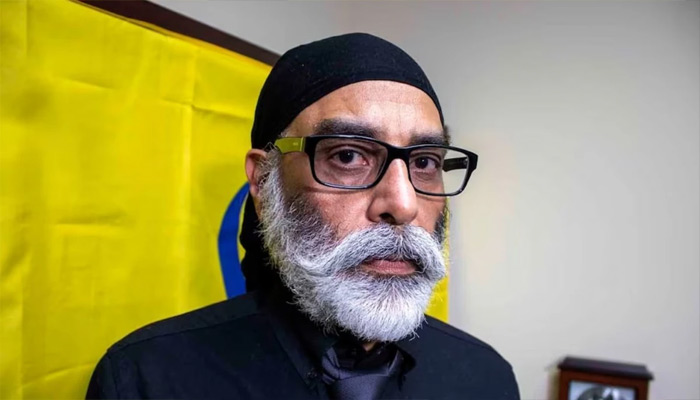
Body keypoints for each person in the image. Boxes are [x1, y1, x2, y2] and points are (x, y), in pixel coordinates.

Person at [86, 33, 519, 400]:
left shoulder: (485, 377)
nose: (403, 204)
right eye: (348, 156)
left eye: (424, 162)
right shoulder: (147, 379)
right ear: (263, 181)